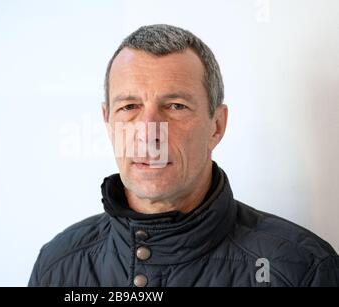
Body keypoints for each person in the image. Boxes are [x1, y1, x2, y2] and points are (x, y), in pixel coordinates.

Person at [28, 24, 339, 287]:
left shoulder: (303, 270)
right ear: (108, 123)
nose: (149, 132)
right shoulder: (57, 266)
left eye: (175, 106)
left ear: (216, 126)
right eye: (129, 107)